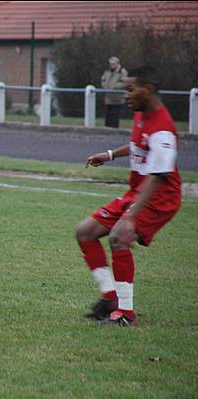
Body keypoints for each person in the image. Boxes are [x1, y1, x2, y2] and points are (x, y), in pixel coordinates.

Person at [76, 65, 181, 326]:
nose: (126, 95)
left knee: (119, 237)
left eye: (130, 89)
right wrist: (110, 154)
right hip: (136, 192)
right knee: (85, 232)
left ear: (149, 89)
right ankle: (110, 299)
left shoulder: (163, 128)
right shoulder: (141, 113)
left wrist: (131, 216)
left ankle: (125, 314)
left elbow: (159, 176)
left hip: (159, 197)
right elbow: (137, 144)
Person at [101, 56, 128, 128]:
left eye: (113, 64)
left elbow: (124, 82)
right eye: (110, 64)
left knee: (115, 116)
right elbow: (103, 80)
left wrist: (114, 86)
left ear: (117, 63)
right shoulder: (107, 72)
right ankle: (107, 129)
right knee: (108, 115)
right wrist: (105, 86)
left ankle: (114, 130)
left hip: (118, 98)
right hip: (108, 97)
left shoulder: (122, 71)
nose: (112, 65)